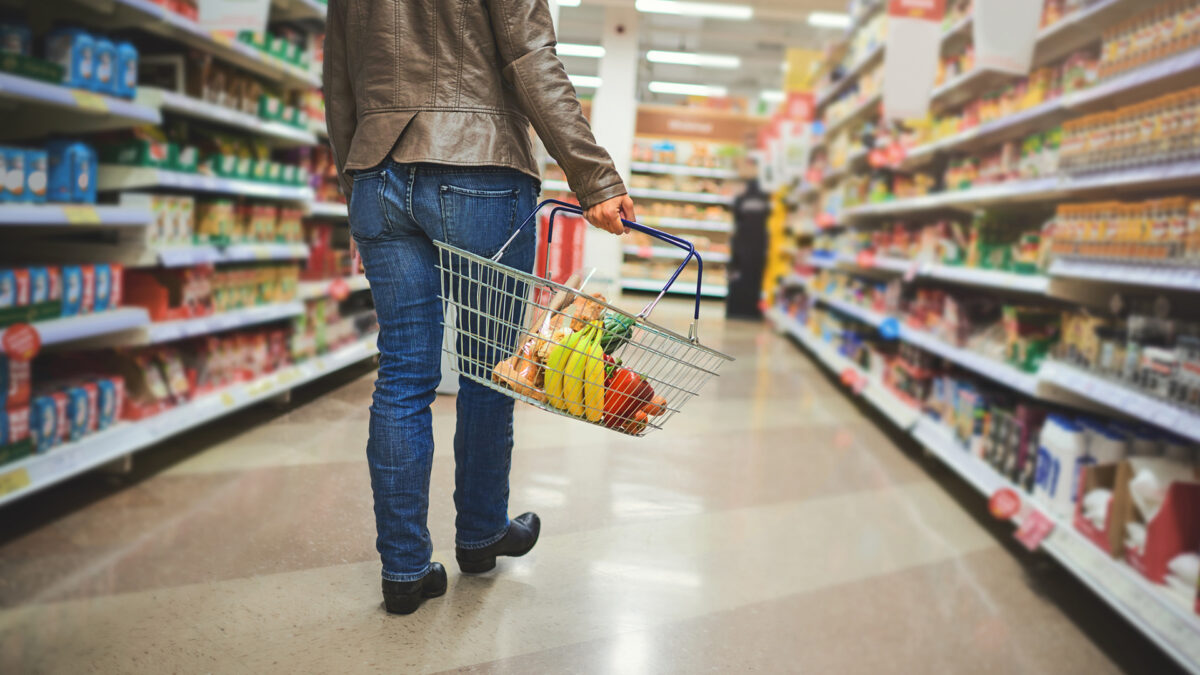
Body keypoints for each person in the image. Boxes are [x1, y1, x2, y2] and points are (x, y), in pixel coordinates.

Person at [324, 0, 636, 615]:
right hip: (481, 167)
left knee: (404, 374)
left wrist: (353, 186)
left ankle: (404, 570)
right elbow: (530, 58)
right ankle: (482, 533)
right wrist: (593, 176)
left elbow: (339, 81)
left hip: (377, 174)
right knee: (488, 367)